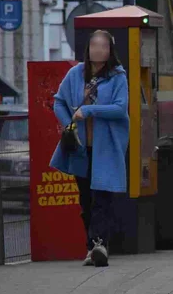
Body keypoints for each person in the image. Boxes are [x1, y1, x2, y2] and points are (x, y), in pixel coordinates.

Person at [50, 30, 130, 267]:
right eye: (94, 46)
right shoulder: (76, 74)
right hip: (80, 147)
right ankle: (92, 248)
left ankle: (99, 245)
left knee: (101, 198)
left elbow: (119, 109)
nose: (99, 50)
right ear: (88, 49)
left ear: (110, 51)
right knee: (85, 199)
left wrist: (89, 110)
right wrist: (69, 125)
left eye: (104, 46)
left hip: (106, 147)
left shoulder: (117, 77)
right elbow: (59, 102)